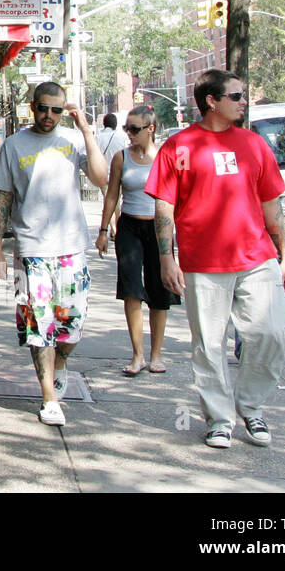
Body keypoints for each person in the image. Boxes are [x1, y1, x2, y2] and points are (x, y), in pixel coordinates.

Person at [145, 69, 285, 450]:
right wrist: (167, 258)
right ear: (212, 101)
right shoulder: (178, 147)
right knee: (208, 345)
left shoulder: (254, 144)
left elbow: (271, 203)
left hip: (257, 258)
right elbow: (164, 206)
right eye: (237, 95)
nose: (244, 101)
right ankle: (220, 419)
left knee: (270, 333)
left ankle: (251, 405)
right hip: (203, 263)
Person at [0, 82, 108, 427]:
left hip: (71, 246)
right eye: (43, 108)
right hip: (32, 248)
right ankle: (49, 397)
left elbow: (100, 177)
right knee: (37, 324)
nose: (49, 116)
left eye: (57, 110)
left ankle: (61, 360)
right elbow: (3, 197)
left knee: (71, 325)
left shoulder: (72, 140)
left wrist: (86, 131)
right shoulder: (14, 145)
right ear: (32, 107)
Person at [96, 104, 180, 376]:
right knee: (131, 290)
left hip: (159, 230)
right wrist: (103, 230)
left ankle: (156, 354)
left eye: (134, 129)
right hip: (130, 227)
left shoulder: (166, 157)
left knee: (159, 290)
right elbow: (111, 195)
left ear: (150, 129)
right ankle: (138, 355)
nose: (129, 134)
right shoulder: (122, 157)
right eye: (126, 129)